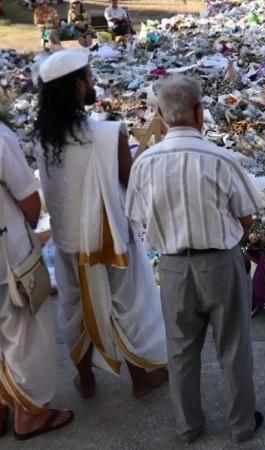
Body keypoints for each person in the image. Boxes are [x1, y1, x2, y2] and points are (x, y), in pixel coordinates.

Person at [125, 76, 263, 444]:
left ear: (161, 115)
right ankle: (242, 425)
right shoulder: (220, 158)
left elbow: (137, 218)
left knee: (181, 350)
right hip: (219, 262)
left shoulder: (145, 164)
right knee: (233, 347)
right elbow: (247, 215)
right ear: (200, 112)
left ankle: (188, 425)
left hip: (172, 266)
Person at [33, 49, 168, 401]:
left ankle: (87, 382)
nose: (93, 83)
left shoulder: (42, 140)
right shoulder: (109, 134)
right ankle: (140, 379)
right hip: (110, 240)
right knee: (126, 304)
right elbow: (131, 181)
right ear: (77, 86)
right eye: (89, 77)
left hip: (68, 244)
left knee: (75, 309)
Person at [0, 122, 74, 440]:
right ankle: (30, 415)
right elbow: (29, 201)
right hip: (8, 261)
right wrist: (26, 230)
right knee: (28, 337)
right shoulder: (0, 137)